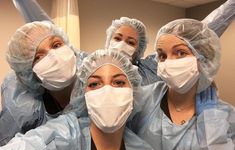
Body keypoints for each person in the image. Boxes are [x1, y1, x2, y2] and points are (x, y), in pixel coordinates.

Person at [0, 49, 158, 150]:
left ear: (134, 92)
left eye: (118, 82)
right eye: (95, 84)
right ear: (83, 95)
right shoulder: (63, 136)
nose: (107, 91)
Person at [12, 0, 235, 85]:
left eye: (131, 42)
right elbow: (50, 32)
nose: (122, 45)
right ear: (108, 40)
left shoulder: (151, 70)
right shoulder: (86, 65)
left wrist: (231, 6)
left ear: (138, 50)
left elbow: (194, 37)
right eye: (118, 38)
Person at [131, 18, 235, 150]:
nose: (169, 62)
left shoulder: (224, 117)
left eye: (180, 53)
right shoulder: (143, 99)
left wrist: (212, 131)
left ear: (204, 58)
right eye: (162, 55)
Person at [0, 21, 87, 145]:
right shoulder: (27, 112)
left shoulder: (96, 87)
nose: (54, 56)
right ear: (29, 74)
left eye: (56, 45)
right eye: (39, 57)